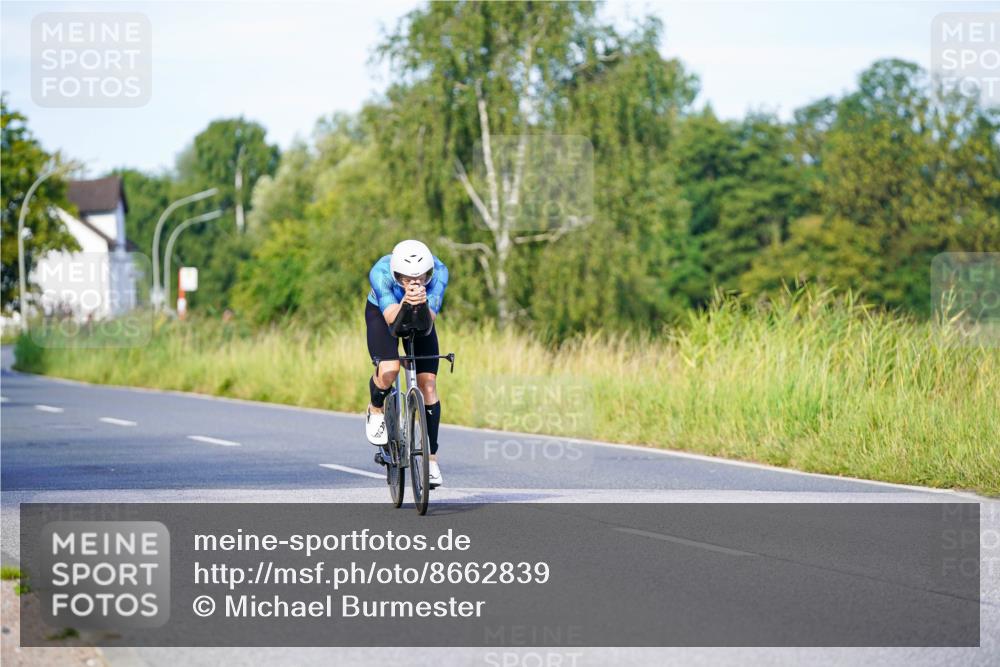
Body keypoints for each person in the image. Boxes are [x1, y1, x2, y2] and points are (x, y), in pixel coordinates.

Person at [365, 239, 449, 487]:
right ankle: (375, 407)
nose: (415, 282)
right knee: (389, 368)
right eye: (407, 278)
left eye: (422, 277)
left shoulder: (439, 273)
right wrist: (406, 301)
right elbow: (392, 320)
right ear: (395, 274)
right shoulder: (380, 272)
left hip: (422, 315)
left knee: (429, 384)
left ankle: (431, 459)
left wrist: (420, 301)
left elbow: (427, 322)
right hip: (383, 314)